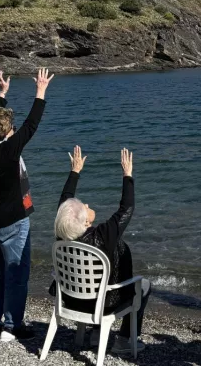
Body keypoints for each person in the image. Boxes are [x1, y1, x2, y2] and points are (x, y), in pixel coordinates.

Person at [0, 68, 53, 342]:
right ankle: (10, 326)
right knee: (17, 274)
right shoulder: (8, 151)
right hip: (12, 221)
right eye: (9, 127)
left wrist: (2, 95)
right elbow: (32, 124)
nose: (13, 129)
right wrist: (41, 91)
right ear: (4, 133)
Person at [53, 146, 149, 354]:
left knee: (94, 279)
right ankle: (124, 339)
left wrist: (75, 171)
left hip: (72, 300)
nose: (86, 204)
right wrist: (127, 175)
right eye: (84, 207)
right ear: (86, 222)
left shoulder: (63, 233)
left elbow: (65, 203)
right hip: (103, 305)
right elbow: (126, 209)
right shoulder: (102, 236)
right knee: (144, 286)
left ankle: (95, 332)